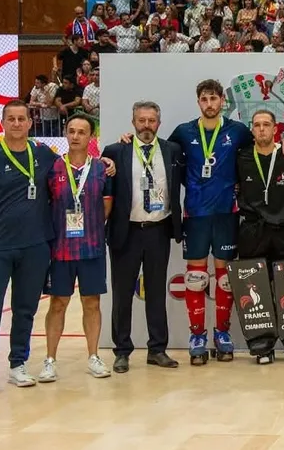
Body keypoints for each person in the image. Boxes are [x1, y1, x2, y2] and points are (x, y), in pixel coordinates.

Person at [164, 79, 284, 364]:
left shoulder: (236, 131)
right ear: (198, 101)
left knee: (225, 279)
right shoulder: (184, 132)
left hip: (227, 213)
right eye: (204, 99)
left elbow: (264, 147)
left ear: (223, 100)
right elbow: (161, 153)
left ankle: (222, 333)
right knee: (196, 278)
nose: (209, 104)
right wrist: (128, 140)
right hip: (196, 215)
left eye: (214, 98)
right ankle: (197, 335)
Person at [0, 100, 58, 394]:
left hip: (35, 246)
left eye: (22, 119)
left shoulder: (43, 155)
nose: (17, 124)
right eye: (12, 119)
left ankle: (18, 363)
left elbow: (74, 168)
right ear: (3, 123)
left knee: (25, 309)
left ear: (31, 123)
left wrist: (106, 161)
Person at [103, 101, 184, 373]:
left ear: (158, 123)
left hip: (158, 230)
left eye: (151, 120)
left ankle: (157, 349)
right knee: (123, 294)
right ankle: (122, 351)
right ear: (133, 122)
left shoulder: (172, 150)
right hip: (127, 231)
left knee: (157, 293)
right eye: (141, 120)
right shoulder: (116, 151)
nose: (146, 125)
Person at [38, 115, 114, 383]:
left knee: (91, 303)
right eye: (71, 131)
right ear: (65, 134)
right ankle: (49, 360)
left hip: (92, 247)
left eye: (82, 132)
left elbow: (107, 206)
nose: (75, 136)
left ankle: (93, 356)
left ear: (91, 137)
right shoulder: (53, 168)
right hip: (60, 250)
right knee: (58, 303)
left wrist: (92, 226)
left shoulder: (102, 169)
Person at [234, 110, 284, 364]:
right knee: (255, 287)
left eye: (266, 125)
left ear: (275, 129)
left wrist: (283, 210)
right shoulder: (243, 158)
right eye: (256, 125)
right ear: (251, 129)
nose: (261, 129)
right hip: (253, 229)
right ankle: (261, 344)